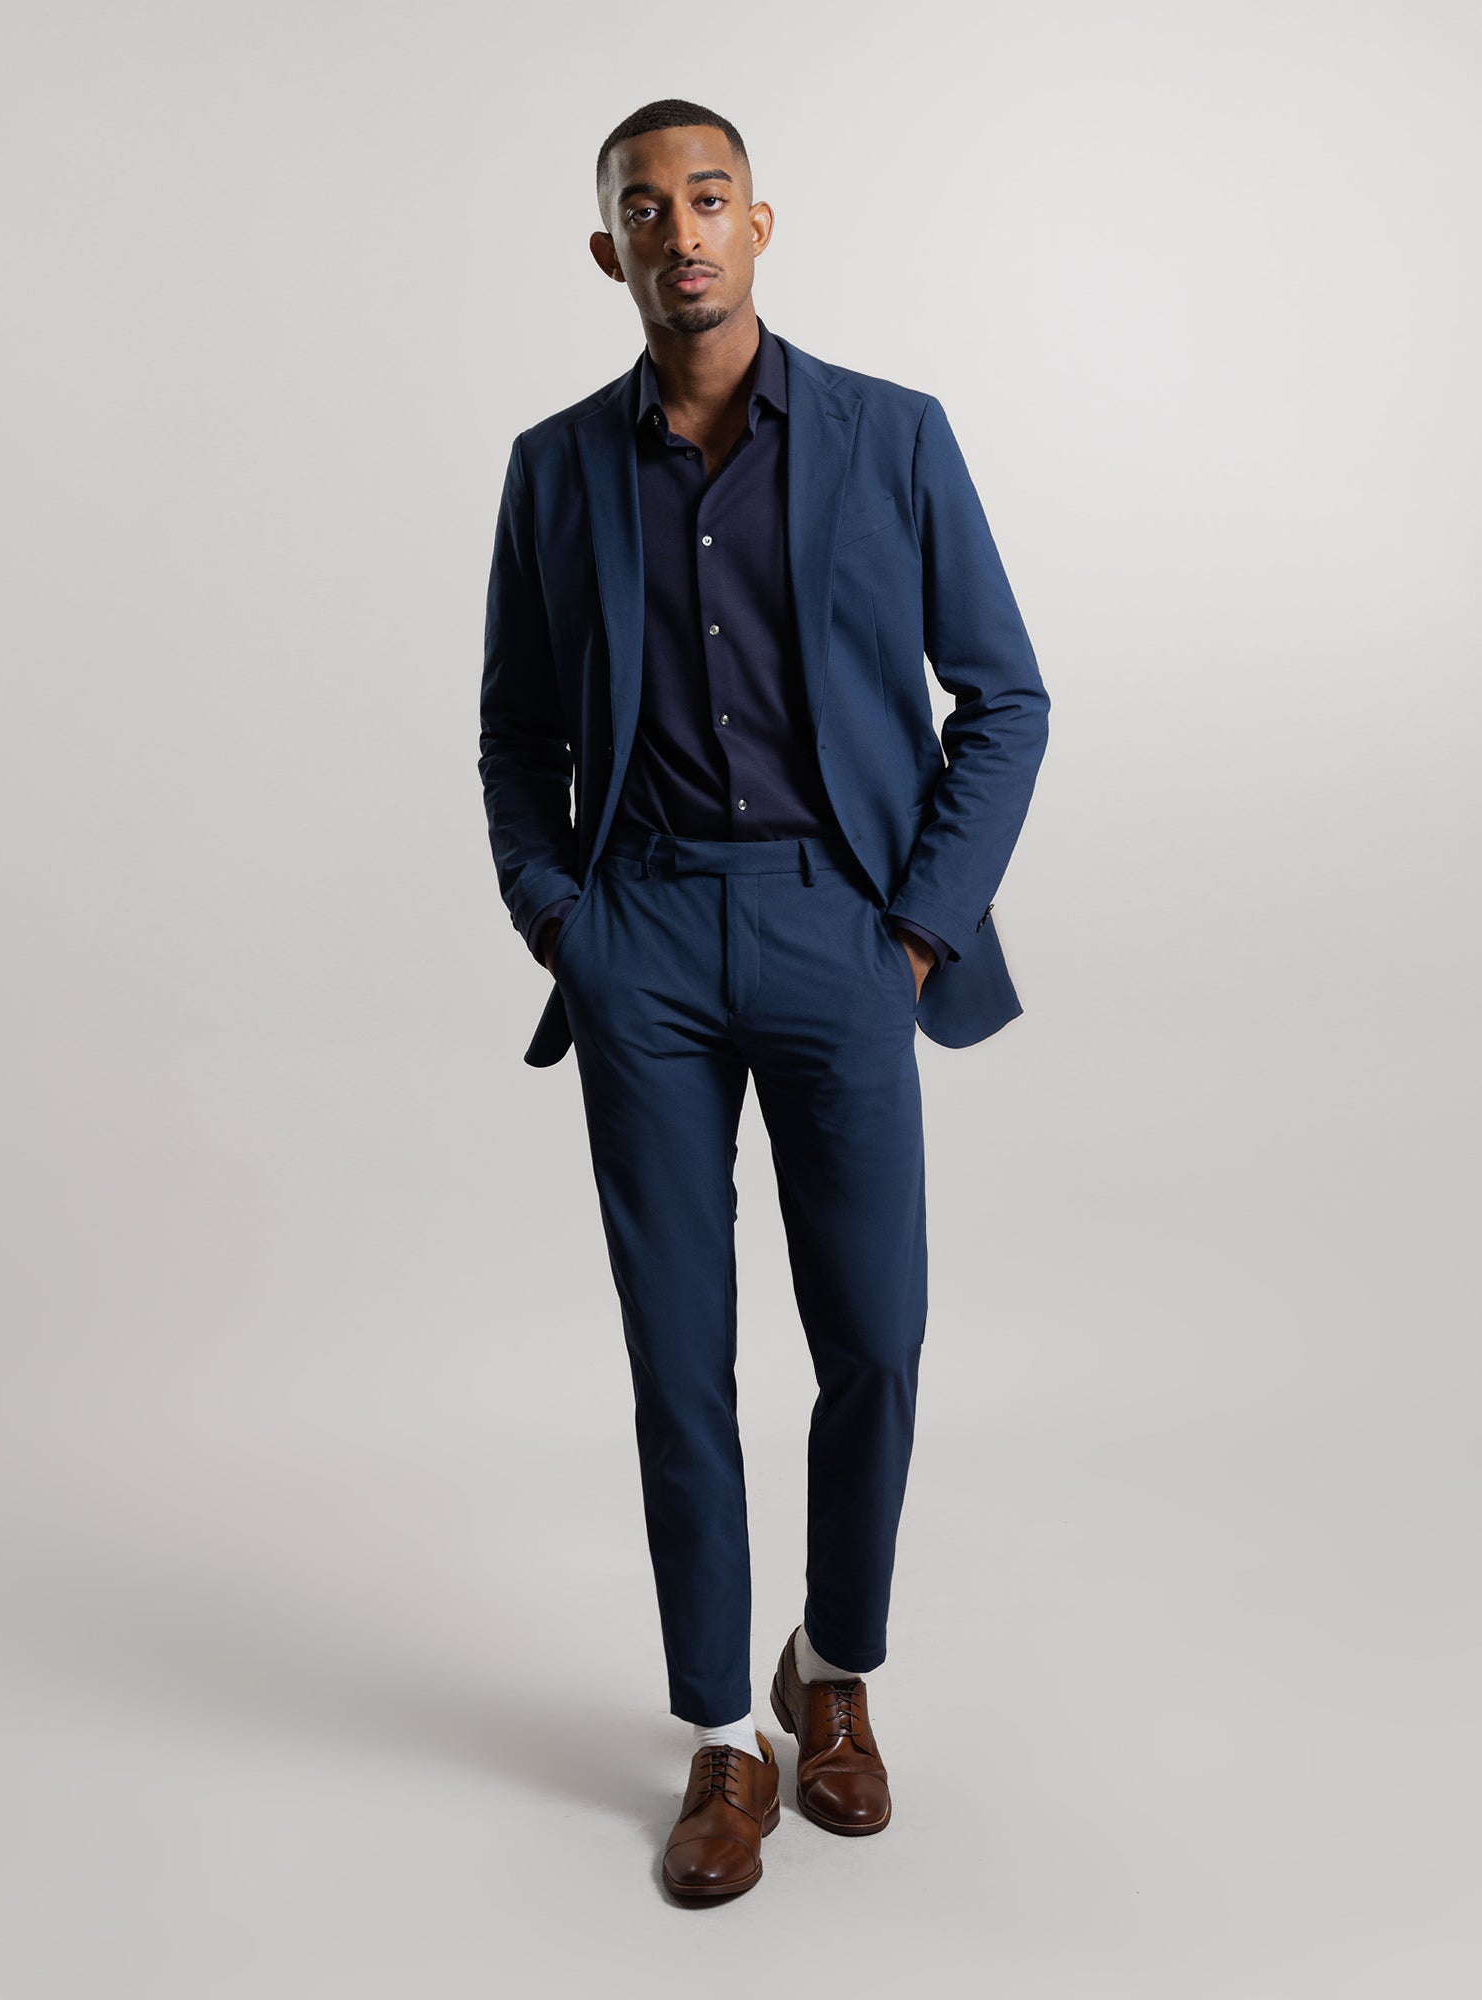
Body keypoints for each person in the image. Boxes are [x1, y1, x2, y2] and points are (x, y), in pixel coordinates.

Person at [477, 97, 1049, 1901]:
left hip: (839, 930)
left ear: (761, 222)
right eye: (646, 210)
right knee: (680, 1359)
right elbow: (514, 735)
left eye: (709, 197)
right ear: (610, 251)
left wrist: (917, 930)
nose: (682, 232)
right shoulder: (554, 468)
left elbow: (1006, 697)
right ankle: (724, 1734)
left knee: (874, 1334)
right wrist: (563, 921)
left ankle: (835, 1671)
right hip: (640, 937)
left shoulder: (893, 436)